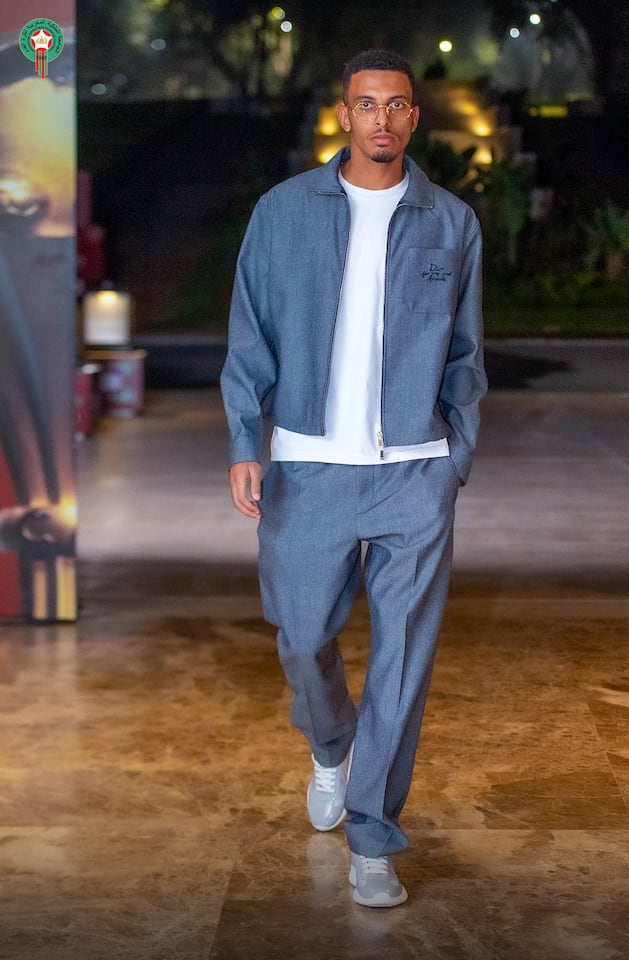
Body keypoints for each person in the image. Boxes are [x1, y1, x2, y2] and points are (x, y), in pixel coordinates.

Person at [221, 48, 486, 908]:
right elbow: (249, 334)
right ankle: (331, 744)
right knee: (302, 636)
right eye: (366, 104)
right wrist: (245, 440)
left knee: (403, 662)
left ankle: (373, 836)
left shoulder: (451, 221)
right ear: (344, 115)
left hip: (414, 473)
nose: (382, 118)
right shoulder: (283, 211)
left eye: (396, 105)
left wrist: (453, 456)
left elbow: (467, 353)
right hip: (308, 466)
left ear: (414, 118)